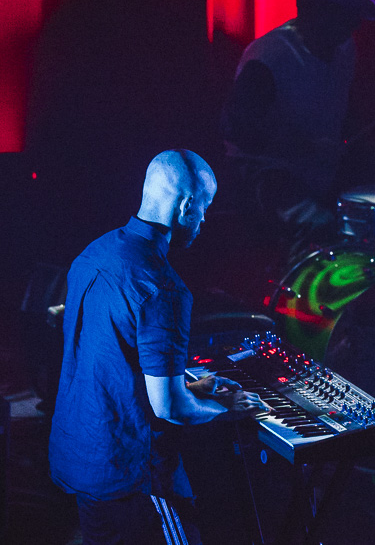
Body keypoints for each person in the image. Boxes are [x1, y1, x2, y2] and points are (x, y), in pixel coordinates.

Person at [48, 149, 270, 544]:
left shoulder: (93, 254)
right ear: (185, 206)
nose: (204, 220)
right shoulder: (162, 288)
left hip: (81, 457)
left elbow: (109, 360)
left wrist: (192, 388)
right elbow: (169, 408)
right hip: (131, 477)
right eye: (204, 208)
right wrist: (227, 409)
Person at [220, 0, 375, 235]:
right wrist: (307, 147)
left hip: (318, 170)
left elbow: (338, 107)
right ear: (315, 10)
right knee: (323, 226)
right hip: (266, 175)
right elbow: (238, 129)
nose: (353, 28)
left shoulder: (344, 47)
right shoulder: (270, 56)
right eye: (347, 19)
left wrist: (365, 147)